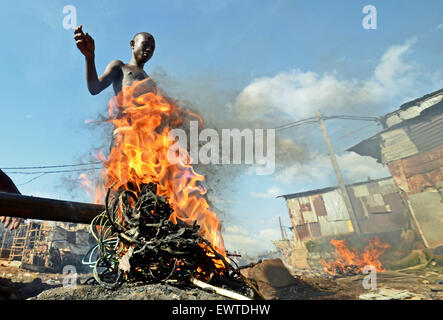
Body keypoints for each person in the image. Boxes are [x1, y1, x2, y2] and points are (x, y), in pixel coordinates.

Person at [74, 25, 157, 98]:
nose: (149, 49)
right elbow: (94, 88)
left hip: (146, 116)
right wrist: (90, 57)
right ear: (132, 44)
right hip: (126, 115)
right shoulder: (120, 67)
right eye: (145, 44)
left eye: (152, 48)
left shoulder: (152, 83)